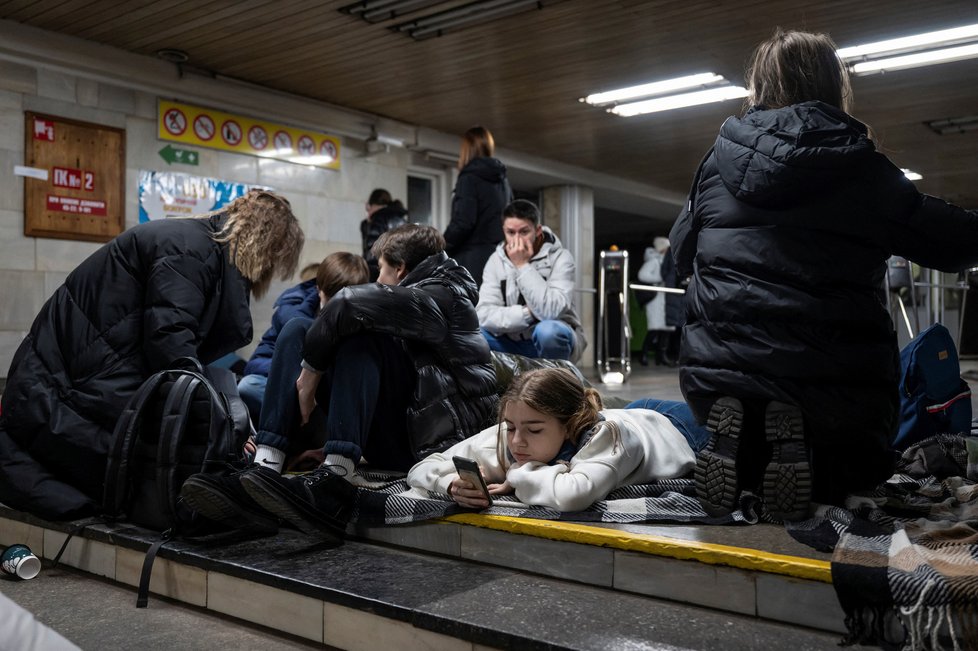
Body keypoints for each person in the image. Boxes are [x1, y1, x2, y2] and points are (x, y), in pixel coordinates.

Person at [670, 28, 978, 521]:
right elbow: (952, 242)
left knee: (721, 415)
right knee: (859, 467)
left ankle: (743, 448)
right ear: (835, 86)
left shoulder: (716, 163)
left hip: (715, 377)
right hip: (832, 383)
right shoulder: (858, 165)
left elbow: (679, 256)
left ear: (759, 85)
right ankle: (814, 451)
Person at [0, 190, 303, 521]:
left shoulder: (196, 245)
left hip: (72, 376)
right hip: (71, 383)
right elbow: (169, 338)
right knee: (127, 480)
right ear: (265, 242)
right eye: (275, 257)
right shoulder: (190, 249)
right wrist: (221, 421)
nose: (270, 270)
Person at [182, 224, 498, 540]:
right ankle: (266, 465)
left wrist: (310, 374)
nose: (378, 280)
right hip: (397, 430)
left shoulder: (445, 297)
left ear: (400, 269)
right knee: (295, 329)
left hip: (429, 447)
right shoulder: (422, 293)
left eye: (382, 271)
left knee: (360, 334)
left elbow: (349, 302)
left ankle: (337, 475)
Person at [407, 368, 697, 511]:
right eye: (510, 427)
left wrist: (517, 472)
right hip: (631, 412)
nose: (517, 441)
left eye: (534, 431)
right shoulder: (517, 427)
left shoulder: (607, 436)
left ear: (568, 424)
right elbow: (422, 468)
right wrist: (449, 484)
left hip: (679, 429)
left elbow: (573, 495)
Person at [236, 252, 370, 423]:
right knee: (249, 386)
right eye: (331, 299)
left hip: (327, 403)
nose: (336, 307)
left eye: (343, 302)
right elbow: (258, 361)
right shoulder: (290, 315)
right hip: (288, 390)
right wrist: (292, 375)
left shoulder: (360, 326)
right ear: (318, 290)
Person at [477, 199, 586, 363]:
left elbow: (551, 311)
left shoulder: (561, 257)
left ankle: (557, 380)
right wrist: (528, 313)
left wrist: (522, 265)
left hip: (547, 339)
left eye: (524, 232)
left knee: (548, 331)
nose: (516, 239)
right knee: (473, 335)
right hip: (509, 341)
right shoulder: (495, 260)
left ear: (538, 230)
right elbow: (484, 313)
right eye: (510, 233)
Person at [443, 126, 511, 287]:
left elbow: (463, 222)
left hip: (471, 260)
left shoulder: (468, 178)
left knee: (469, 309)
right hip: (499, 257)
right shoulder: (503, 181)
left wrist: (441, 247)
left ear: (466, 150)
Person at [636, 237, 675, 366]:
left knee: (667, 329)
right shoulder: (654, 261)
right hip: (655, 299)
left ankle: (661, 356)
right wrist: (659, 278)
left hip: (666, 297)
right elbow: (642, 275)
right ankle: (644, 354)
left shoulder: (669, 262)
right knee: (654, 328)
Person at [360, 189, 409, 281]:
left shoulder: (379, 219)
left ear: (372, 205)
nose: (368, 212)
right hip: (401, 273)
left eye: (368, 208)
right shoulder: (401, 219)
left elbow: (373, 254)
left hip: (382, 275)